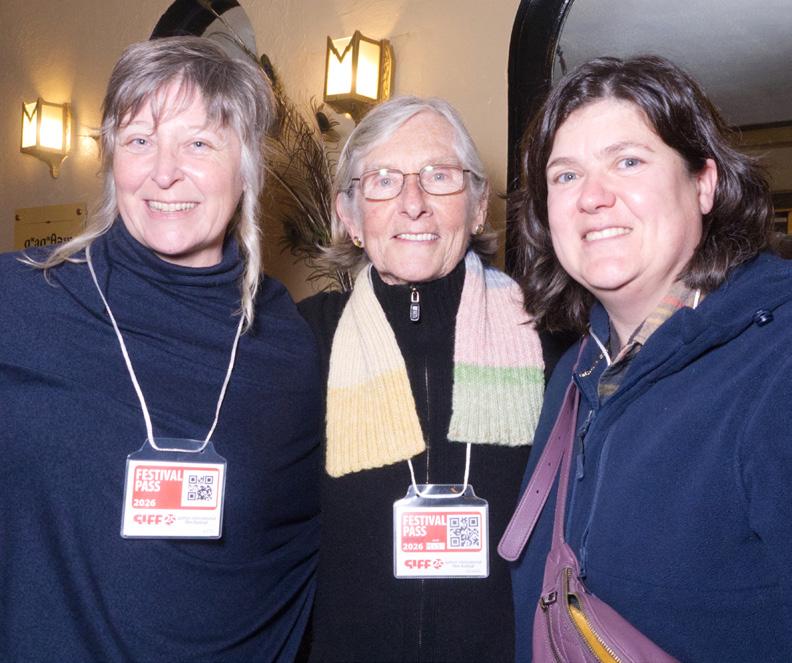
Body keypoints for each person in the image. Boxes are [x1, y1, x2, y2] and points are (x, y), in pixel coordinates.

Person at [0, 37, 322, 662]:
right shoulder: (23, 299)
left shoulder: (287, 341)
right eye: (140, 140)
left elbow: (314, 539)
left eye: (198, 143)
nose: (164, 171)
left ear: (247, 167)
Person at [509, 55, 792, 662]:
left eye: (629, 162)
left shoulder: (777, 362)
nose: (593, 197)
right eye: (566, 175)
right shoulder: (576, 371)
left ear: (704, 183)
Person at [297, 96, 546, 662]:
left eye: (439, 176)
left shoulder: (549, 337)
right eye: (383, 180)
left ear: (478, 206)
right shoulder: (301, 341)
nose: (413, 204)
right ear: (350, 216)